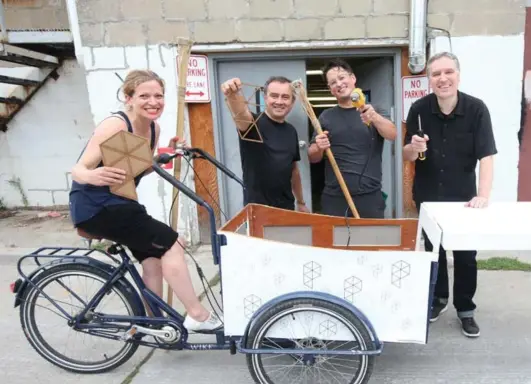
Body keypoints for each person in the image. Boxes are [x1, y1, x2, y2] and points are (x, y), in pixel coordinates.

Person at [69, 69, 222, 334]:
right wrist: (93, 175)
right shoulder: (115, 125)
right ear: (128, 98)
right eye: (144, 96)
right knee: (173, 243)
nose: (153, 101)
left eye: (158, 96)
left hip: (120, 203)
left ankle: (154, 325)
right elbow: (78, 169)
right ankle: (197, 314)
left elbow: (140, 166)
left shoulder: (153, 128)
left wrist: (167, 153)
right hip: (96, 206)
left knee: (153, 258)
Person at [403, 51, 497, 338]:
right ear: (430, 79)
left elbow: (488, 156)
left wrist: (483, 195)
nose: (442, 78)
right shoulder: (418, 109)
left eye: (448, 72)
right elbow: (406, 154)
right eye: (436, 74)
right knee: (435, 253)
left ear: (458, 75)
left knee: (467, 256)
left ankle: (465, 309)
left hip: (464, 199)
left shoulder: (477, 109)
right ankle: (439, 299)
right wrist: (414, 148)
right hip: (428, 197)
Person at [308, 58, 397, 218]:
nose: (339, 84)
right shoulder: (326, 117)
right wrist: (319, 147)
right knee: (334, 243)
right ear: (330, 89)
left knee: (370, 242)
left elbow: (392, 134)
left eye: (342, 78)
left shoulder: (373, 110)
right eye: (333, 82)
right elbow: (313, 157)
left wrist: (374, 118)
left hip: (369, 196)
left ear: (353, 78)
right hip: (335, 197)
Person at [221, 76, 309, 213]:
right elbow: (241, 114)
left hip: (287, 208)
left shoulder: (291, 131)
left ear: (292, 102)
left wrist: (301, 202)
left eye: (285, 97)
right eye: (274, 96)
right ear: (265, 98)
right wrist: (233, 93)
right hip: (258, 210)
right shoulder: (252, 124)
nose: (279, 101)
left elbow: (294, 170)